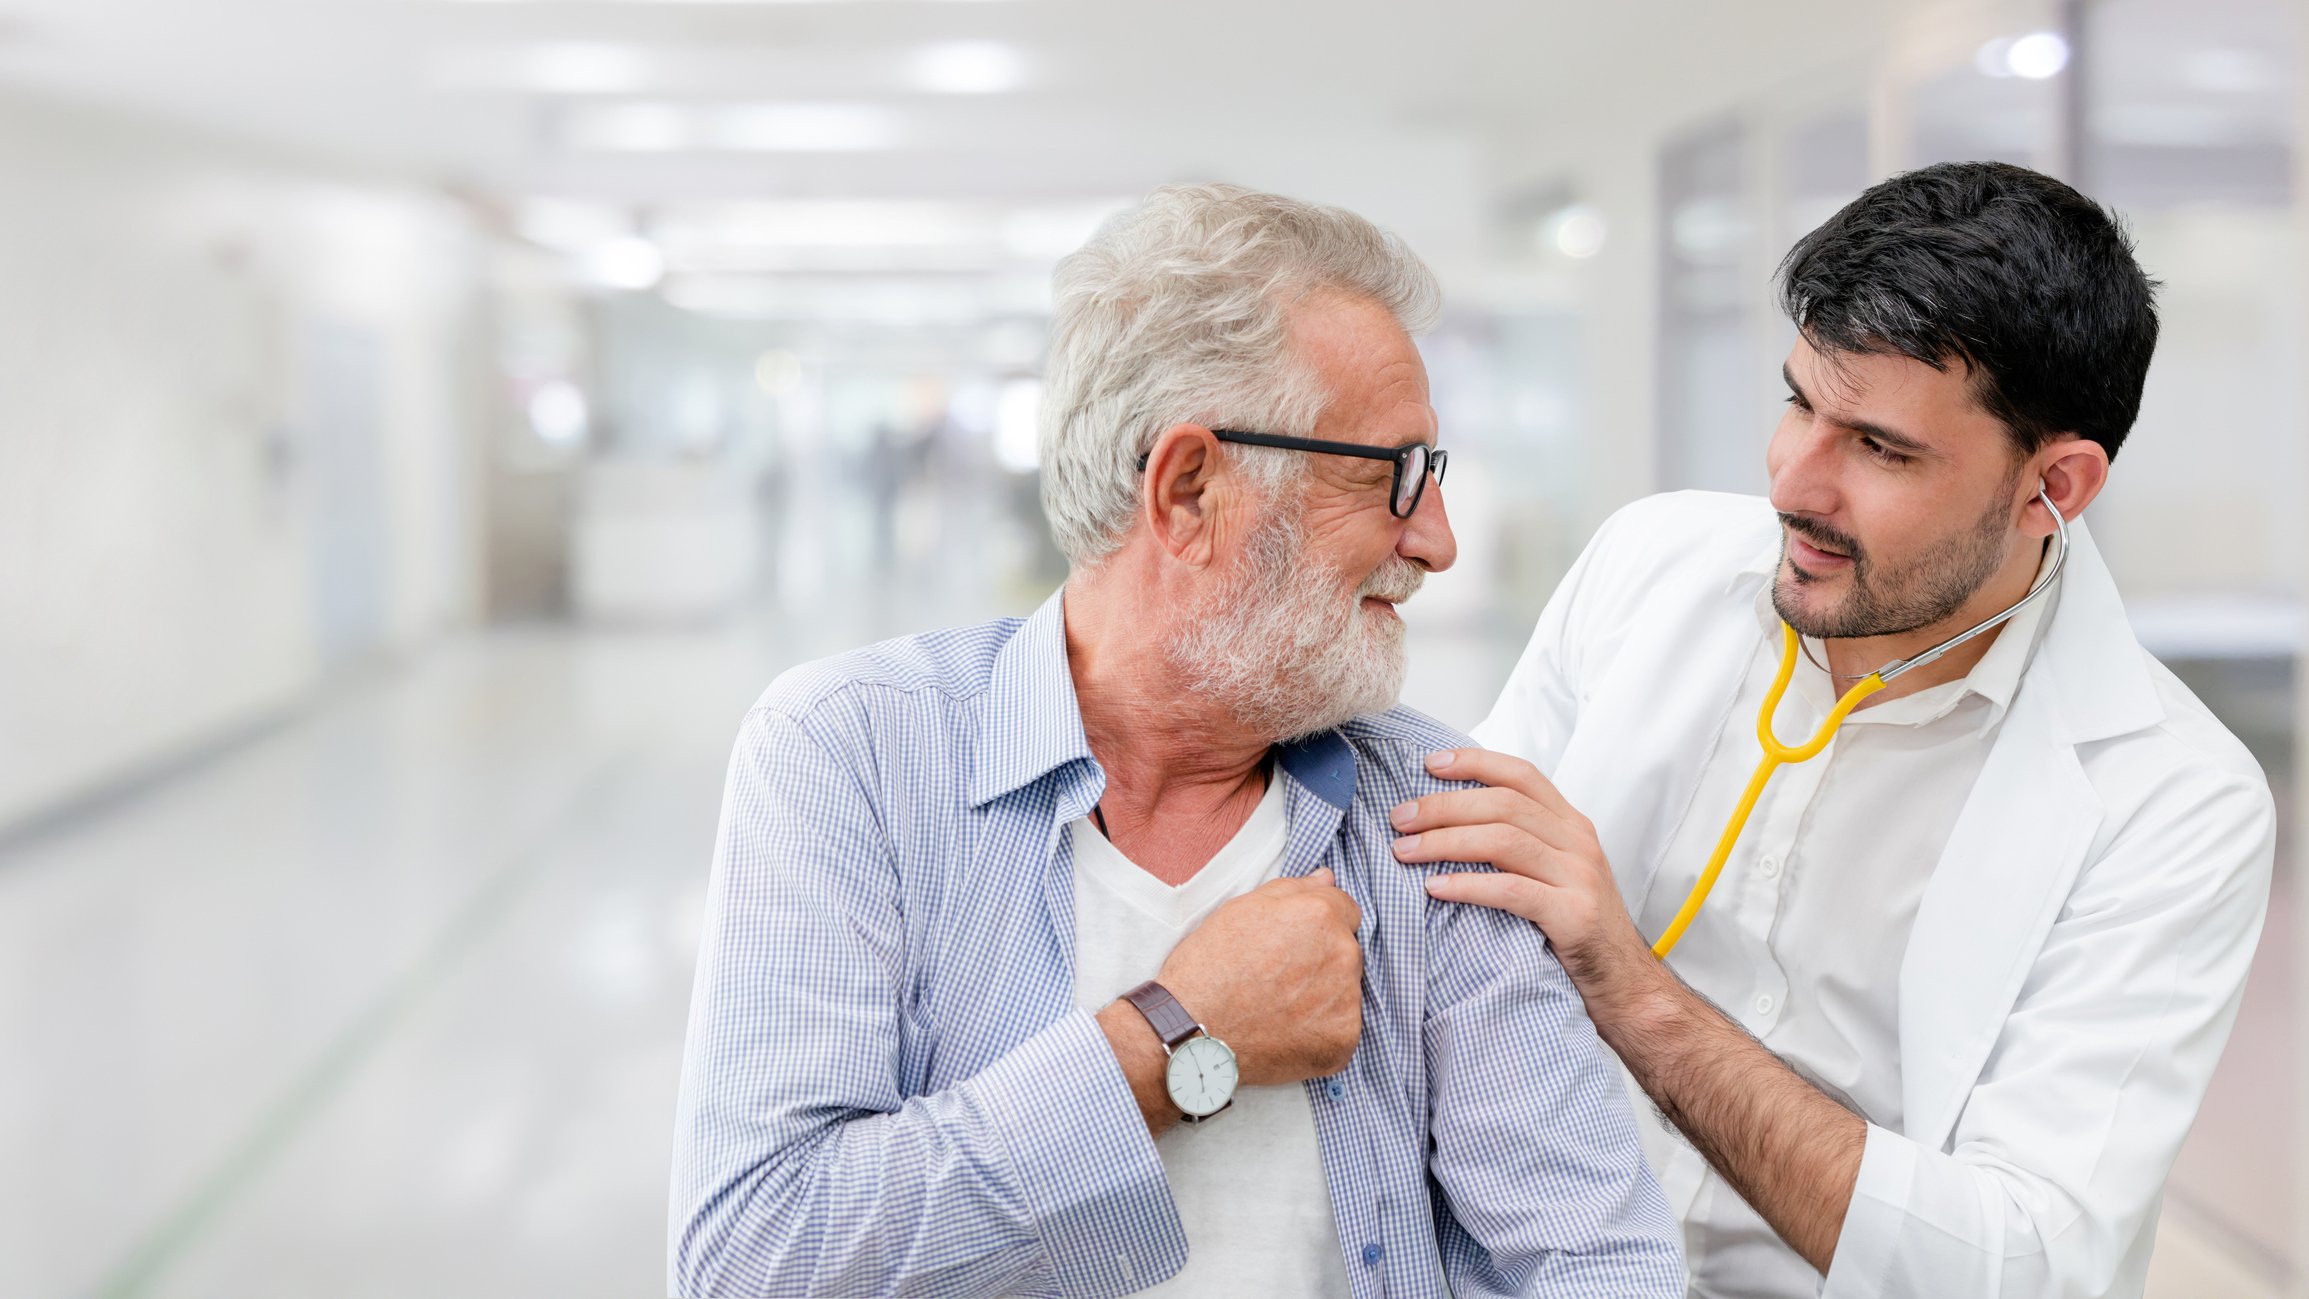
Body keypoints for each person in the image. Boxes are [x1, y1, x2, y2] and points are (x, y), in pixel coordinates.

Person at [668, 183, 1683, 1298]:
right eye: (1389, 472)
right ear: (1189, 489)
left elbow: (1595, 1257)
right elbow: (757, 1260)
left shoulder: (1433, 816)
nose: (1434, 540)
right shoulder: (851, 754)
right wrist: (1177, 1040)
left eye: (1431, 474)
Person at [1392, 160, 2275, 1297]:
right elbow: (1461, 914)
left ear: (2052, 485)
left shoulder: (2169, 804)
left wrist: (1632, 989)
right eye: (1799, 401)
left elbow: (2021, 1263)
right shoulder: (1648, 566)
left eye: (1879, 448)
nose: (1791, 484)